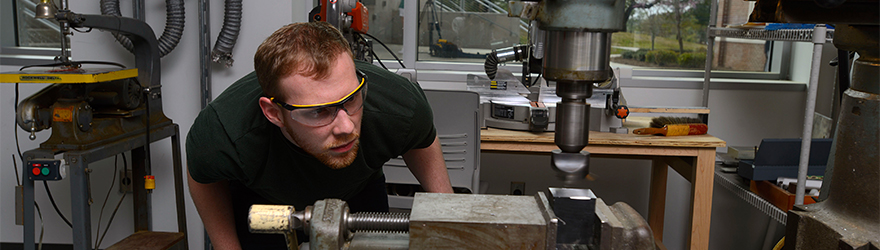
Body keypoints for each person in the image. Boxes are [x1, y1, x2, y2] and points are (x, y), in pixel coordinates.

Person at [186, 21, 453, 249]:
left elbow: (422, 143)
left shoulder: (399, 105)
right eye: (318, 112)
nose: (346, 127)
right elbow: (203, 177)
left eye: (350, 100)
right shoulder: (225, 132)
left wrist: (452, 228)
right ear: (274, 113)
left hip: (357, 189)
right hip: (264, 202)